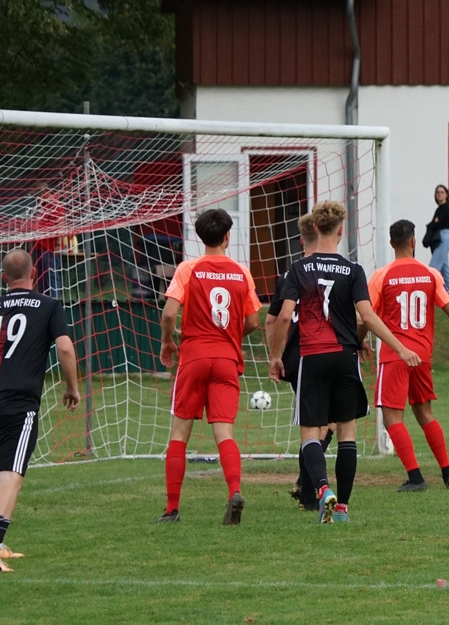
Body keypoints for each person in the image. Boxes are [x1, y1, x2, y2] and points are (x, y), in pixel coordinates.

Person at [268, 200, 421, 524]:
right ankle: (342, 510)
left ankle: (323, 489)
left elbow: (282, 316)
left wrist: (276, 356)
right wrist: (400, 348)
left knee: (311, 434)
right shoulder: (353, 269)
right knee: (347, 434)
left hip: (311, 356)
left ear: (314, 228)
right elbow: (368, 316)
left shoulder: (299, 269)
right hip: (344, 357)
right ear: (341, 231)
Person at [0, 248, 80, 572]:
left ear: (4, 277)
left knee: (0, 468)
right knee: (12, 475)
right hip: (18, 401)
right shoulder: (49, 306)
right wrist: (71, 387)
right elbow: (64, 348)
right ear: (33, 273)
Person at [368, 219, 449, 491]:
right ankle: (448, 474)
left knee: (392, 417)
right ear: (414, 242)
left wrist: (357, 343)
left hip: (395, 354)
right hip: (422, 355)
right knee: (425, 413)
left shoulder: (381, 276)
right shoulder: (430, 274)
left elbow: (364, 316)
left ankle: (416, 478)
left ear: (391, 243)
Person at [157, 208, 262, 525]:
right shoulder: (241, 272)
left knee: (179, 434)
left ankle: (172, 509)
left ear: (201, 237)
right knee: (224, 433)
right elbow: (253, 321)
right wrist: (229, 336)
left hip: (194, 356)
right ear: (227, 237)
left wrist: (167, 341)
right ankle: (234, 492)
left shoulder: (188, 268)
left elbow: (169, 313)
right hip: (226, 359)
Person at [266, 214, 334, 511]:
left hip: (295, 356)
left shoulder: (288, 274)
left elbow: (272, 320)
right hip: (325, 350)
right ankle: (309, 487)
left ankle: (306, 485)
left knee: (315, 421)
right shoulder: (335, 269)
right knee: (324, 423)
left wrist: (275, 355)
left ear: (300, 239)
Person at [425, 184, 449, 300]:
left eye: (442, 192)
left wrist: (434, 222)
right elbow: (434, 223)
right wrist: (434, 222)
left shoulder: (446, 208)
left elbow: (437, 224)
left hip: (443, 239)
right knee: (446, 270)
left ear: (446, 194)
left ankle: (427, 295)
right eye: (437, 192)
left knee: (433, 269)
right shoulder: (439, 209)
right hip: (441, 239)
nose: (439, 194)